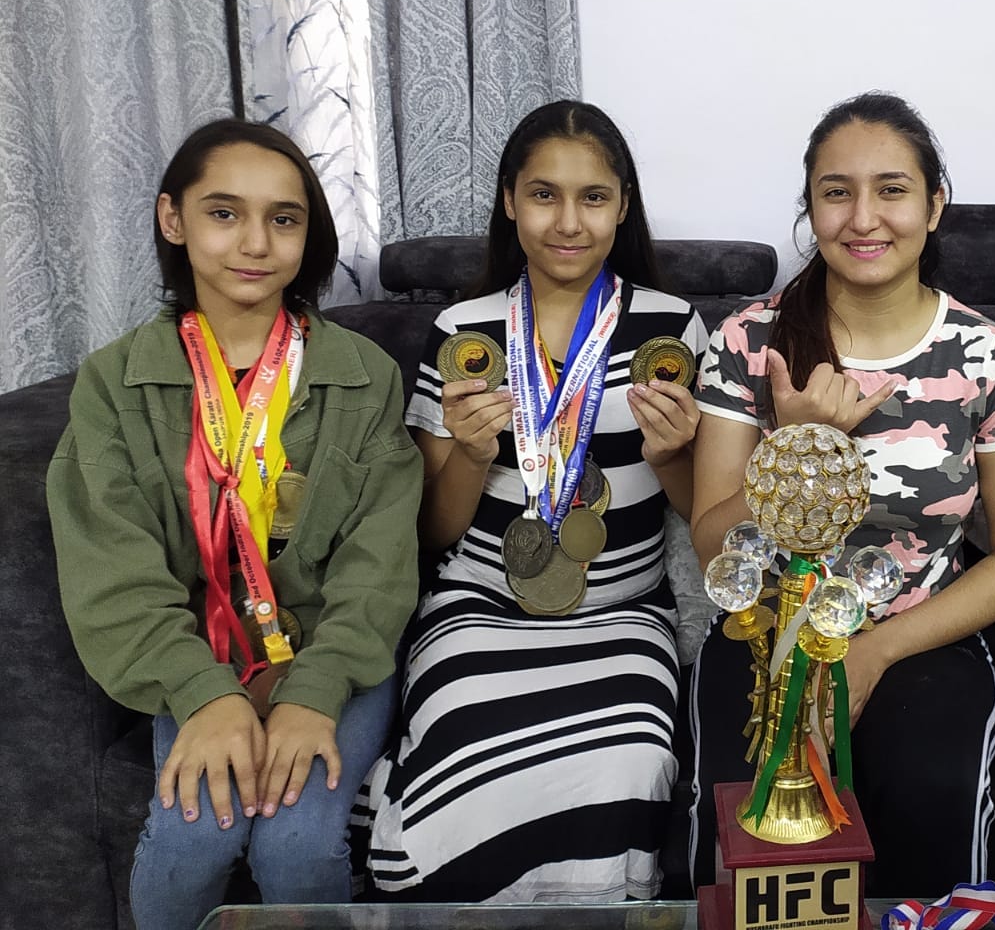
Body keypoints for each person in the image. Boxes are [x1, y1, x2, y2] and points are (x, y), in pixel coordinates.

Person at [47, 120, 422, 930]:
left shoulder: (366, 379)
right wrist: (201, 697)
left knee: (296, 842)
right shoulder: (114, 384)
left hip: (333, 656)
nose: (256, 242)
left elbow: (378, 564)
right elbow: (112, 569)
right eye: (225, 214)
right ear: (172, 220)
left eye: (284, 219)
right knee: (192, 838)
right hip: (198, 656)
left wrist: (314, 693)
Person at [688, 92, 995, 896]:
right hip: (764, 633)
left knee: (929, 797)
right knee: (740, 836)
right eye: (836, 191)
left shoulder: (988, 356)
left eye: (892, 189)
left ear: (935, 205)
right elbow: (712, 542)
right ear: (810, 206)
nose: (864, 217)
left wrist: (876, 652)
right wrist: (799, 450)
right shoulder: (751, 341)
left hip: (923, 633)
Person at [354, 100, 706, 901]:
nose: (568, 222)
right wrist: (472, 456)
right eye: (543, 195)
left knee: (635, 752)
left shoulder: (672, 327)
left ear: (623, 206)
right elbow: (433, 531)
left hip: (623, 611)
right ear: (510, 201)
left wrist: (675, 455)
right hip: (479, 605)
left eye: (593, 197)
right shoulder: (463, 329)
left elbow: (693, 507)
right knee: (458, 730)